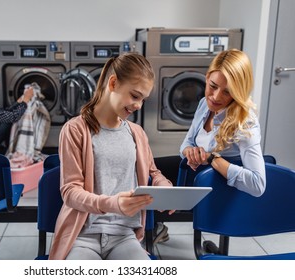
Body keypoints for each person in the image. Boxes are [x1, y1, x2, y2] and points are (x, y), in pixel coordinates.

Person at [48, 53, 173, 260]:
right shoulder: (75, 130)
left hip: (124, 236)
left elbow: (154, 172)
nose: (139, 105)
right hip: (82, 237)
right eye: (135, 96)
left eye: (143, 99)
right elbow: (70, 192)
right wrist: (112, 204)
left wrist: (164, 187)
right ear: (113, 83)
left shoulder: (137, 133)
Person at [180, 49, 266, 197]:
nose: (215, 97)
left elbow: (257, 184)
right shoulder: (204, 104)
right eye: (213, 86)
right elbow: (187, 142)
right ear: (207, 78)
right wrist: (190, 152)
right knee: (148, 171)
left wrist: (212, 158)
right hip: (196, 178)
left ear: (238, 92)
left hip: (219, 193)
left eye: (227, 91)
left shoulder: (245, 122)